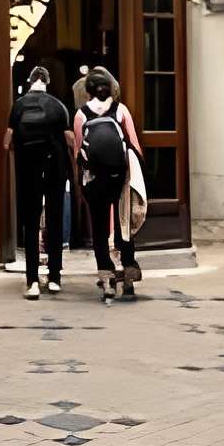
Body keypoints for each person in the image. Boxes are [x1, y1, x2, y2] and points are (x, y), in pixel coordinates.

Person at [73, 69, 142, 302]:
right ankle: (129, 275)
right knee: (123, 225)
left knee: (100, 230)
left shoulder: (81, 115)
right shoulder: (121, 111)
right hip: (119, 179)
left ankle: (106, 280)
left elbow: (79, 153)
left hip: (94, 180)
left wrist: (80, 184)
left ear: (88, 92)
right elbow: (133, 145)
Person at [5, 63, 72, 296]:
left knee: (31, 223)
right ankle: (54, 278)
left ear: (30, 81)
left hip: (28, 170)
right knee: (54, 220)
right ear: (47, 82)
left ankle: (32, 281)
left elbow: (7, 142)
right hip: (54, 167)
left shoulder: (18, 105)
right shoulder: (58, 106)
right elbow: (70, 139)